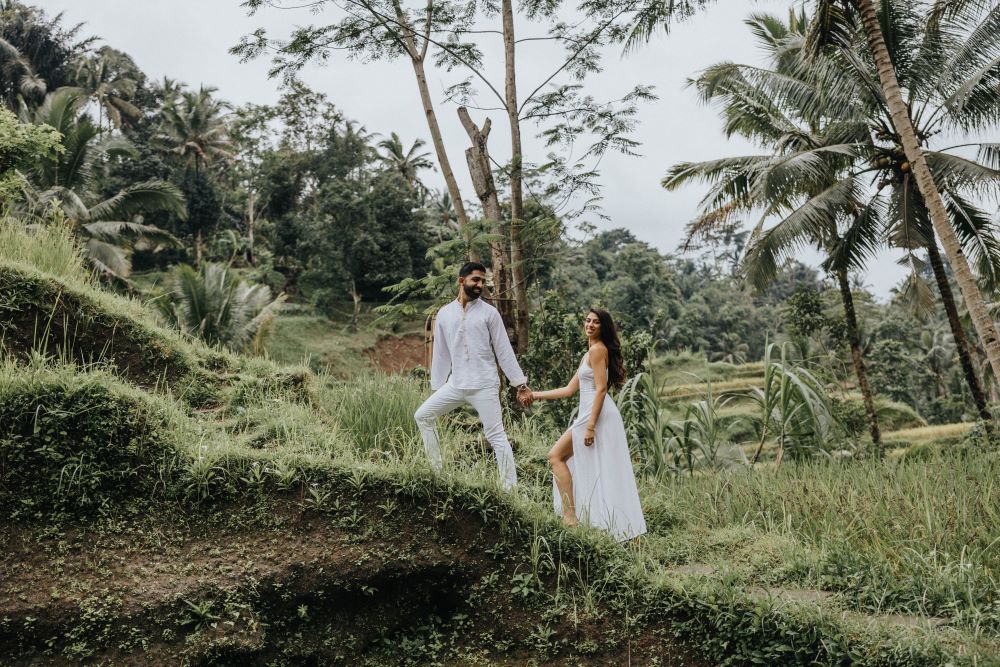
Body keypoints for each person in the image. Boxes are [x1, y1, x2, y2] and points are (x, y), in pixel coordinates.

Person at [527, 308, 646, 541]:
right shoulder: (589, 353)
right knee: (584, 463)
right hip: (589, 413)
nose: (590, 325)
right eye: (588, 321)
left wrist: (591, 426)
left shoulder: (597, 350)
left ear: (603, 327)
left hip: (596, 414)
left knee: (555, 456)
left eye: (596, 322)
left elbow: (602, 389)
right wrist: (535, 395)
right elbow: (569, 390)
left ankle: (571, 518)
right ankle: (590, 519)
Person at [414, 262, 532, 490]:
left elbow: (504, 350)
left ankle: (509, 489)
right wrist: (437, 387)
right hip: (456, 384)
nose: (480, 285)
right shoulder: (445, 314)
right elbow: (440, 353)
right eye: (475, 280)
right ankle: (437, 473)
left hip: (484, 385)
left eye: (482, 281)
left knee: (496, 435)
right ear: (461, 281)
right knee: (423, 416)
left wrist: (520, 383)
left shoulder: (490, 313)